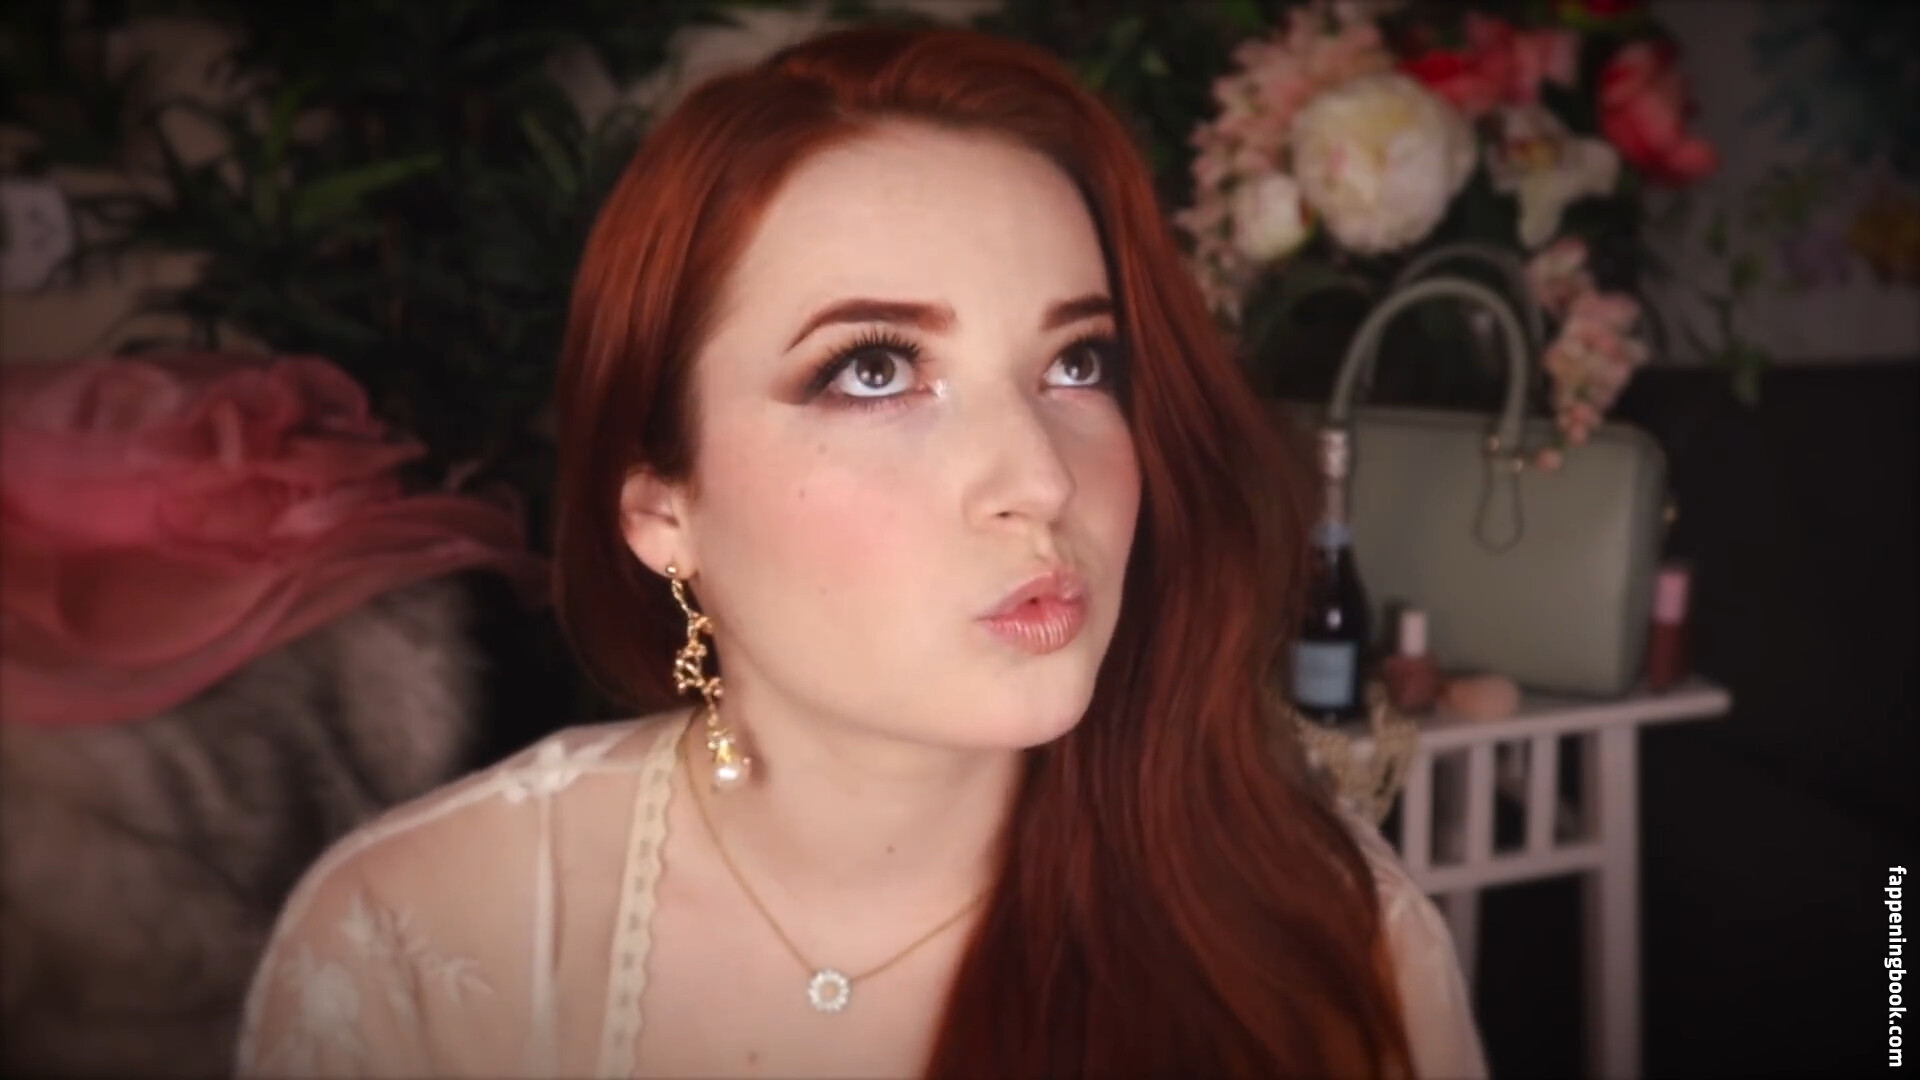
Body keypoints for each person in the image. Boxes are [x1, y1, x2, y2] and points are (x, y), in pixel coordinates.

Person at [234, 23, 1487, 1080]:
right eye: (875, 371)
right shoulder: (417, 944)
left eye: (1077, 362)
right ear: (663, 511)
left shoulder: (1326, 944)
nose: (1042, 479)